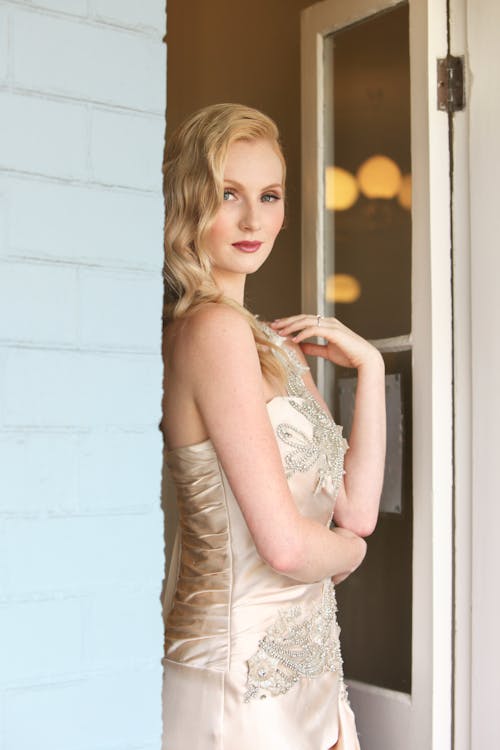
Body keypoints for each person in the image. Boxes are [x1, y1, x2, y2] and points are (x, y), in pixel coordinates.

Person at [161, 103, 386, 750]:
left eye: (270, 195)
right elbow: (290, 548)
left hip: (311, 674)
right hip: (236, 683)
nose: (254, 219)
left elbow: (356, 509)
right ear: (191, 203)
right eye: (228, 194)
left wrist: (369, 368)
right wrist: (351, 555)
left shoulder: (272, 344)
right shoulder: (210, 331)